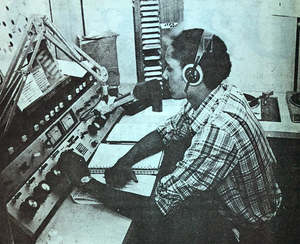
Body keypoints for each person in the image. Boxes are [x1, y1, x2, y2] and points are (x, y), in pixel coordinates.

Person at [57, 28, 282, 244]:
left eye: (169, 68)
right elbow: (166, 132)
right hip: (247, 207)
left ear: (193, 75)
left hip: (248, 232)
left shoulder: (218, 130)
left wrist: (85, 181)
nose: (164, 75)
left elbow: (156, 209)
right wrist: (125, 160)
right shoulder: (222, 94)